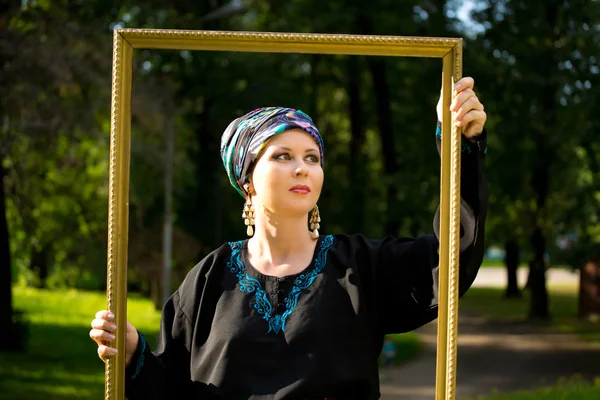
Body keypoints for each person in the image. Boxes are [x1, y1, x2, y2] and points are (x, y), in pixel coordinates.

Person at [90, 77, 488, 399]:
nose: (303, 168)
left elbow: (452, 258)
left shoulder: (360, 268)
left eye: (312, 158)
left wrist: (460, 147)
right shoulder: (208, 279)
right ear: (247, 180)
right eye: (283, 156)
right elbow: (171, 388)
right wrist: (132, 356)